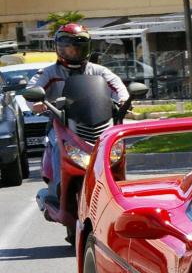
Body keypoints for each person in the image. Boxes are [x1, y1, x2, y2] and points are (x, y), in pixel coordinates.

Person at [28, 23, 130, 208]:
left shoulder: (98, 70)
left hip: (97, 123)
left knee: (115, 147)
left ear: (87, 48)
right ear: (58, 48)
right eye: (67, 46)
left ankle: (119, 186)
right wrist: (36, 103)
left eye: (78, 46)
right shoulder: (50, 72)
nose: (73, 51)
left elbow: (118, 86)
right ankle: (59, 190)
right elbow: (32, 89)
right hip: (62, 125)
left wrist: (124, 100)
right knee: (56, 144)